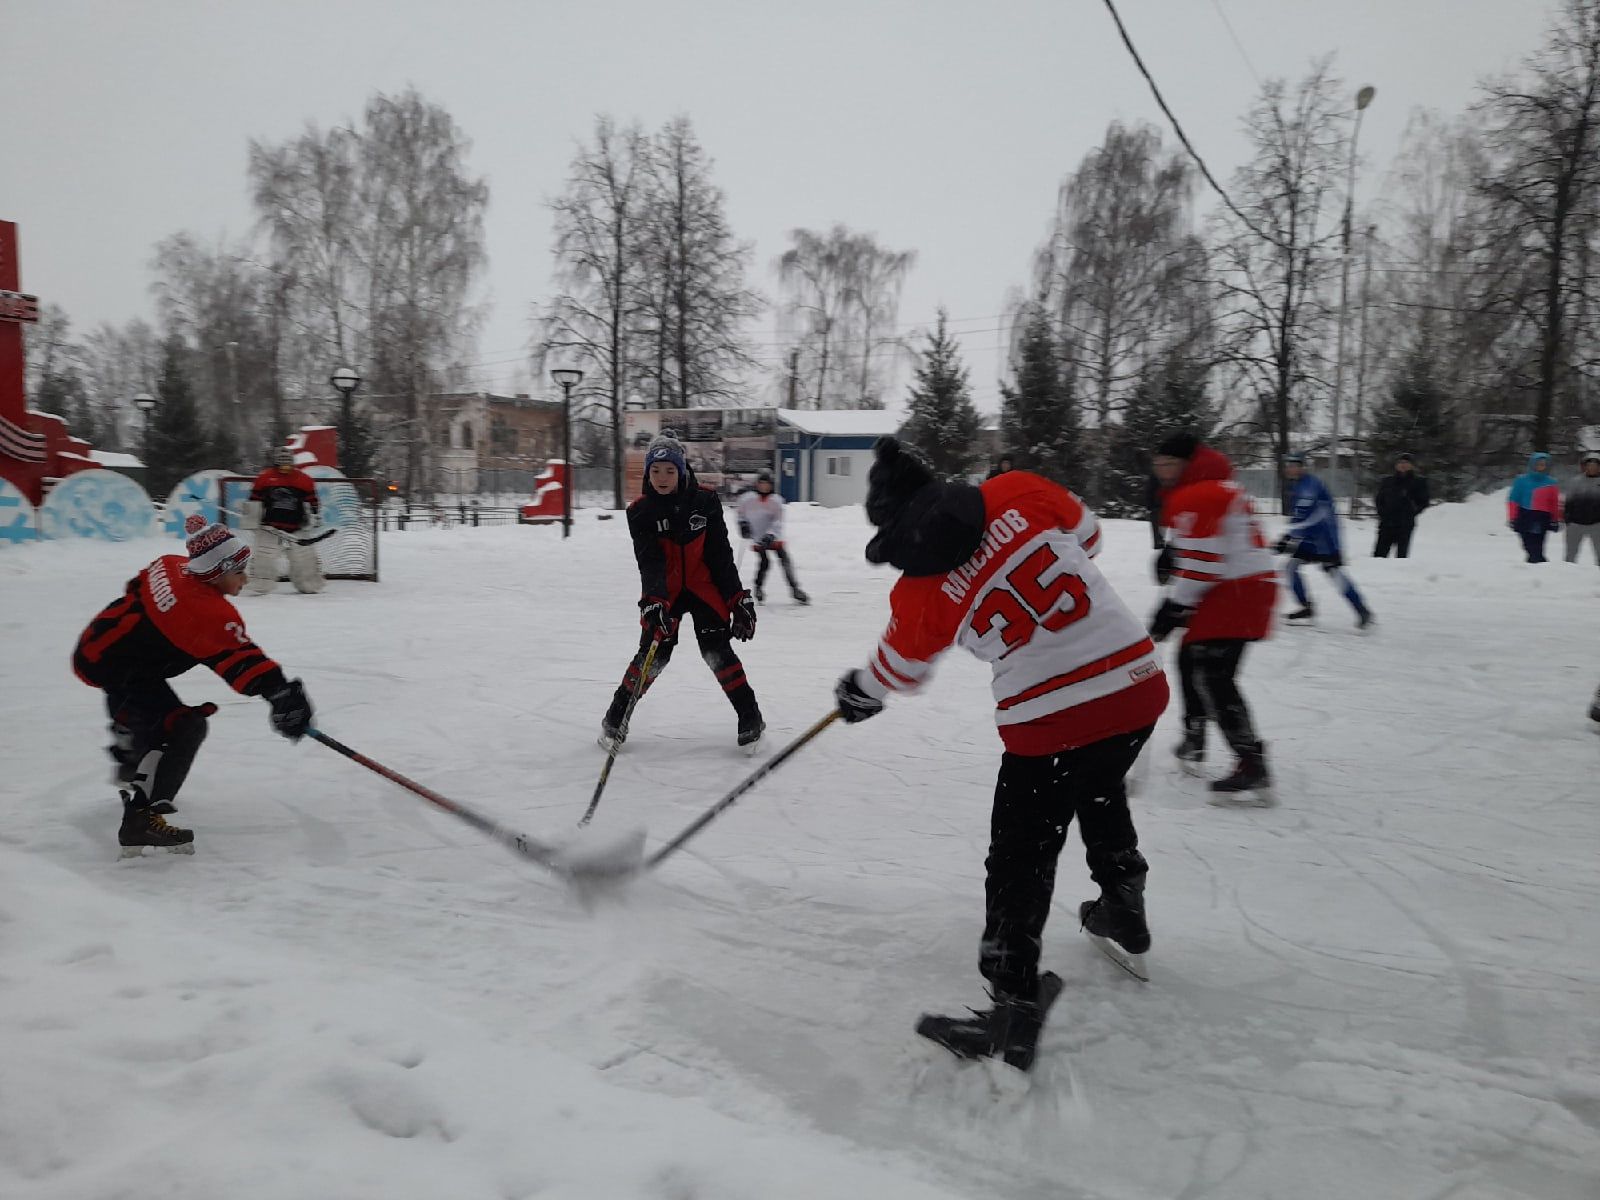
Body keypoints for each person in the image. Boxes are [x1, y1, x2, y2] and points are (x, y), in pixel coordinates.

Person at [832, 437, 1166, 1071]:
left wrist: (859, 691)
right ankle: (1123, 900)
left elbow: (897, 670)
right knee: (1097, 782)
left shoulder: (921, 594)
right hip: (1135, 686)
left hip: (1046, 721)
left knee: (1021, 856)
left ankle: (1012, 1009)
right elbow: (1090, 536)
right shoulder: (1015, 491)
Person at [72, 515, 315, 856]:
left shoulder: (174, 565)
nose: (245, 579)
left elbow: (136, 587)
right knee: (182, 728)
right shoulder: (204, 610)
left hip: (106, 648)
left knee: (155, 717)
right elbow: (239, 659)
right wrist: (281, 694)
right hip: (117, 666)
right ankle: (141, 817)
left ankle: (131, 746)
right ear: (216, 572)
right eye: (238, 572)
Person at [602, 432, 764, 752]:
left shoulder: (705, 500)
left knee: (716, 651)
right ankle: (615, 718)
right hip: (667, 594)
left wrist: (737, 597)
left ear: (681, 470)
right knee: (654, 654)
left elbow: (720, 555)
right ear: (648, 473)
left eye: (669, 470)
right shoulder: (640, 511)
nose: (662, 478)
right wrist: (653, 602)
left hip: (704, 589)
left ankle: (750, 717)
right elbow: (649, 562)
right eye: (656, 471)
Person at [1149, 434, 1278, 797]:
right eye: (1156, 464)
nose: (1161, 472)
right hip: (1241, 586)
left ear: (1188, 463)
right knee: (1191, 657)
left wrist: (1174, 607)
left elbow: (1204, 565)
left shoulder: (1199, 494)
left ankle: (1251, 761)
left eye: (1168, 464)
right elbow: (1209, 545)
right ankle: (1195, 736)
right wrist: (1174, 554)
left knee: (1213, 672)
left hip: (1237, 589)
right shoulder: (1212, 488)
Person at [1278, 453, 1373, 628]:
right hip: (1310, 537)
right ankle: (1306, 608)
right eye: (1288, 465)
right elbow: (1299, 516)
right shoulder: (1298, 485)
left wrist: (1289, 537)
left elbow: (1311, 518)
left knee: (1334, 573)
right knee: (1290, 568)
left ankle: (1362, 610)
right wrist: (1288, 536)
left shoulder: (1309, 485)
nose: (1290, 468)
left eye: (1294, 465)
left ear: (1302, 467)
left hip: (1324, 538)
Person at [244, 447, 324, 594]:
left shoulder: (304, 480)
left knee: (304, 561)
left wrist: (313, 516)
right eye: (282, 463)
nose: (285, 467)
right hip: (270, 528)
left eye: (288, 463)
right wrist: (252, 520)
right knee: (264, 558)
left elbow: (312, 503)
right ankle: (259, 586)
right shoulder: (265, 478)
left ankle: (309, 584)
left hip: (296, 528)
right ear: (276, 463)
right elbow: (254, 501)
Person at [735, 471, 809, 605]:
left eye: (767, 484)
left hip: (773, 537)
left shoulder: (776, 501)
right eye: (761, 484)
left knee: (785, 561)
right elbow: (741, 514)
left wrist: (771, 534)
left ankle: (795, 589)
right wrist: (743, 524)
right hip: (757, 536)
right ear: (757, 484)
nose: (764, 487)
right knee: (764, 563)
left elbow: (778, 521)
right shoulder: (747, 499)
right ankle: (758, 588)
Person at [1507, 452, 1563, 564]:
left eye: (1543, 464)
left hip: (1541, 517)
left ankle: (1537, 565)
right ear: (1532, 464)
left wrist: (1556, 519)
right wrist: (1513, 517)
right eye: (1538, 464)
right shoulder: (1521, 481)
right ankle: (1538, 564)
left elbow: (1554, 503)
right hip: (1524, 515)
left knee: (1537, 544)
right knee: (1527, 543)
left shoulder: (1551, 482)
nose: (1541, 466)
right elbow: (1513, 500)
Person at [1373, 452, 1430, 558]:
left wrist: (1412, 510)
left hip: (1405, 523)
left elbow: (1423, 501)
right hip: (1387, 522)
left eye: (1406, 462)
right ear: (1396, 465)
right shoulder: (1388, 481)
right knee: (1379, 555)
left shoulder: (1419, 482)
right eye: (1400, 462)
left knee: (1401, 556)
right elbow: (1379, 499)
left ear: (1411, 465)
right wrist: (1382, 512)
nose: (1403, 465)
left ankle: (1399, 574)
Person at [1562, 451, 1600, 566]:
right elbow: (1568, 503)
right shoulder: (1575, 482)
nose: (1592, 468)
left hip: (1597, 525)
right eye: (1589, 465)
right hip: (1576, 525)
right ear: (1584, 467)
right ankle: (1567, 576)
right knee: (1570, 555)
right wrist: (1568, 520)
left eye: (1595, 466)